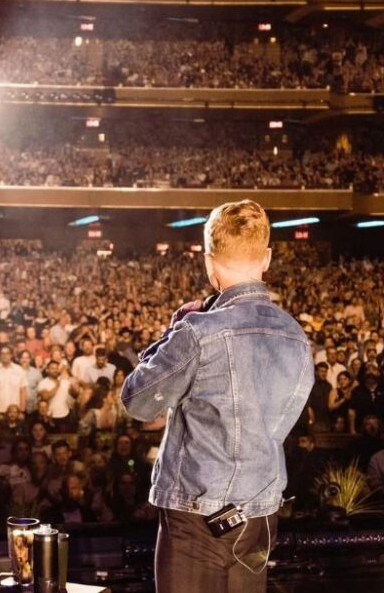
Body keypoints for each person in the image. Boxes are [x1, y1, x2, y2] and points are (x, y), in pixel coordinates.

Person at [122, 200, 313, 593]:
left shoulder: (197, 331)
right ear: (267, 258)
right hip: (259, 515)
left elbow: (138, 401)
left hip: (195, 516)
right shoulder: (295, 336)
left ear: (209, 261)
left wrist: (169, 336)